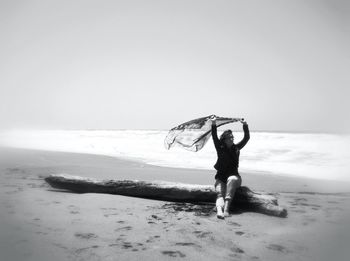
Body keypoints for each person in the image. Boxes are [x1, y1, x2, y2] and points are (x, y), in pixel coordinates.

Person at [210, 116, 250, 219]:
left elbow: (246, 138)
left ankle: (226, 209)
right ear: (224, 139)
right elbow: (214, 136)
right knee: (219, 193)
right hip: (221, 178)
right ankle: (219, 209)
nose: (232, 139)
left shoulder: (236, 148)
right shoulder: (220, 148)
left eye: (233, 137)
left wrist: (245, 125)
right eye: (230, 137)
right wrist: (214, 123)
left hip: (235, 178)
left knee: (231, 179)